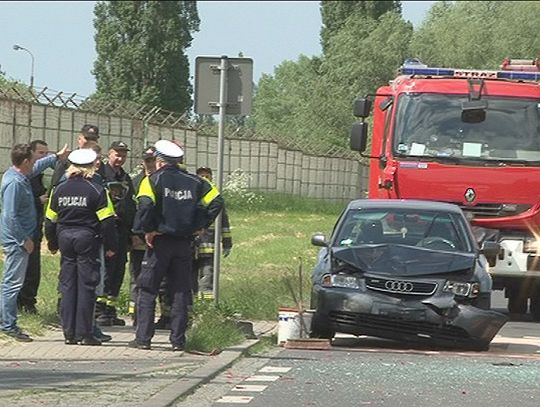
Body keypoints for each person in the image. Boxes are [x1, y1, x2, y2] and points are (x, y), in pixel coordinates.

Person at [129, 140, 217, 351]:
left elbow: (145, 206)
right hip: (184, 243)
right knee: (180, 291)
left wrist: (147, 230)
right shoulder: (196, 181)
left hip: (159, 242)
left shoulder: (151, 180)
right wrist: (200, 225)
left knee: (148, 289)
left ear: (159, 162)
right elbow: (217, 202)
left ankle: (143, 339)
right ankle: (178, 341)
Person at [44, 149, 117, 346]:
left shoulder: (58, 189)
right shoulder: (97, 190)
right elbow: (107, 221)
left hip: (65, 238)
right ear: (92, 167)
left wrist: (52, 243)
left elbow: (50, 220)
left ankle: (68, 333)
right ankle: (85, 333)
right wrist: (111, 246)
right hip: (87, 238)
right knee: (86, 285)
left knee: (68, 285)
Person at [0, 143, 69, 341]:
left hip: (21, 238)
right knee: (12, 284)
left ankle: (5, 318)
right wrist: (24, 240)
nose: (35, 163)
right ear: (25, 162)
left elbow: (37, 168)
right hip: (17, 241)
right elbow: (10, 216)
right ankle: (8, 325)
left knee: (11, 282)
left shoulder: (19, 175)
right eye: (33, 160)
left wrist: (56, 156)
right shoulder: (14, 183)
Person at [97, 141, 136, 327]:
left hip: (122, 231)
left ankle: (111, 309)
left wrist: (131, 234)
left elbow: (130, 205)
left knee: (118, 271)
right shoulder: (101, 175)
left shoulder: (125, 177)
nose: (120, 158)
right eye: (117, 154)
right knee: (106, 271)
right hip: (107, 230)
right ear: (109, 154)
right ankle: (99, 310)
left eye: (123, 155)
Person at [18, 140, 50, 314]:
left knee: (34, 268)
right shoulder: (23, 177)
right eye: (40, 153)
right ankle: (21, 303)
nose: (44, 157)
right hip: (24, 231)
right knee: (24, 269)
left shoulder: (37, 175)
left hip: (36, 227)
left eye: (46, 154)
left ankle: (28, 301)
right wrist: (38, 201)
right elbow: (18, 205)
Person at [194, 166, 233, 300]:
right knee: (190, 277)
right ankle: (192, 304)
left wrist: (227, 243)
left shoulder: (215, 197)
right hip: (192, 247)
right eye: (201, 176)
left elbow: (224, 224)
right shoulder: (192, 194)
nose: (204, 178)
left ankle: (206, 305)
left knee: (207, 276)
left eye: (207, 176)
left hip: (210, 247)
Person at [128, 145, 157, 325]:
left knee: (160, 280)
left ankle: (165, 316)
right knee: (137, 276)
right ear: (142, 162)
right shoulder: (135, 183)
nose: (150, 164)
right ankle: (137, 314)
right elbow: (131, 210)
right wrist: (133, 233)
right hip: (139, 238)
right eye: (147, 160)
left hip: (158, 237)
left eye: (153, 160)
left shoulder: (162, 180)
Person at [50, 124, 101, 189]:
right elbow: (56, 186)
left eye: (93, 139)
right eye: (87, 138)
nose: (90, 141)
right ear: (79, 139)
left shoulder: (98, 162)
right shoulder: (67, 159)